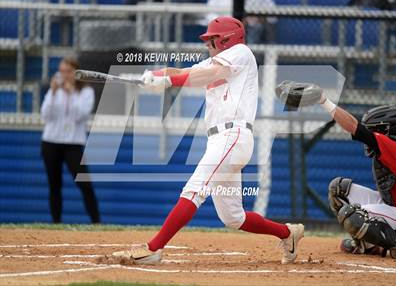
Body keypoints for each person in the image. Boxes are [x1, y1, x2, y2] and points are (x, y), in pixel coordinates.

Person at [112, 16, 304, 264]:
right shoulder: (218, 60)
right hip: (221, 141)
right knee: (234, 218)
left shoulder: (240, 53)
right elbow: (186, 72)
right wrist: (155, 75)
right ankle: (288, 233)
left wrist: (168, 81)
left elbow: (210, 73)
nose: (207, 44)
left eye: (211, 39)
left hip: (232, 136)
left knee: (194, 190)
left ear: (226, 39)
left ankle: (154, 248)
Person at [316, 93, 396, 260]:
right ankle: (370, 246)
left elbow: (353, 127)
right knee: (338, 188)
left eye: (372, 129)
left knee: (352, 214)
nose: (369, 134)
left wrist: (324, 101)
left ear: (385, 130)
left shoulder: (393, 147)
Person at [40, 57, 100, 224]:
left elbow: (81, 115)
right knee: (54, 185)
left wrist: (70, 94)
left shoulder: (86, 92)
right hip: (51, 142)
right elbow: (45, 115)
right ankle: (56, 222)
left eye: (68, 71)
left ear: (76, 73)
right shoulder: (54, 91)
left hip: (73, 144)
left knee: (84, 184)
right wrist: (52, 93)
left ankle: (96, 222)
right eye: (62, 71)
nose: (64, 75)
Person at [204, 0, 276, 44]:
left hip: (249, 28)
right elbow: (209, 14)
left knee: (256, 29)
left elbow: (272, 16)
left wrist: (254, 20)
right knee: (213, 34)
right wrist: (225, 24)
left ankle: (248, 55)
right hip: (224, 27)